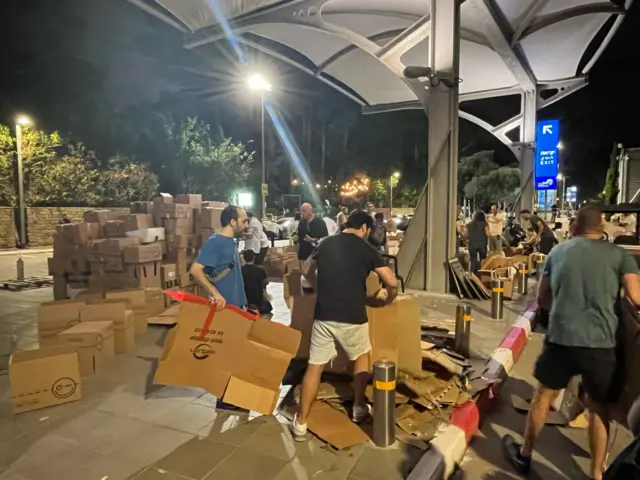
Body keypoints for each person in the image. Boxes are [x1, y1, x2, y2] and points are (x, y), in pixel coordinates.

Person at [502, 206, 640, 480]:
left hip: (562, 338)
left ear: (575, 227)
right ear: (601, 229)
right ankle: (597, 473)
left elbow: (542, 297)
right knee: (598, 407)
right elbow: (637, 298)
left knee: (544, 396)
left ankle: (525, 454)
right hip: (602, 342)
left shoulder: (558, 252)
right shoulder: (619, 255)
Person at [291, 210, 399, 441]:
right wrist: (388, 298)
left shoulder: (325, 243)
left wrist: (315, 287)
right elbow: (391, 280)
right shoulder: (366, 247)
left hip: (324, 315)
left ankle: (300, 423)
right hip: (353, 315)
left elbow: (307, 270)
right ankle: (359, 408)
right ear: (364, 228)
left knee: (315, 366)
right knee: (361, 358)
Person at [190, 205, 249, 310]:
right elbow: (195, 270)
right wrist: (215, 294)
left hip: (237, 307)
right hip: (225, 309)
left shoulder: (231, 241)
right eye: (244, 221)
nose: (247, 225)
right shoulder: (216, 242)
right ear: (233, 222)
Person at [241, 250, 272, 315]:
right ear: (254, 257)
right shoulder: (260, 269)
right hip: (258, 298)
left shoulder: (241, 270)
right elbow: (266, 282)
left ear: (244, 258)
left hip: (246, 298)